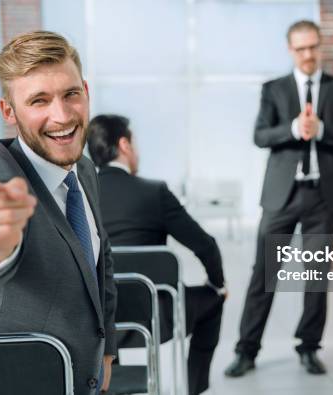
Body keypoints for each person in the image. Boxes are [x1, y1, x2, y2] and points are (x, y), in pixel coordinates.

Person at [0, 31, 116, 395]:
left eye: (70, 94)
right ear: (9, 111)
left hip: (74, 378)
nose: (62, 116)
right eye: (39, 101)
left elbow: (101, 265)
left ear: (86, 91)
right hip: (5, 379)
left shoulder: (83, 169)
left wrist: (107, 353)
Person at [225, 19, 333, 377]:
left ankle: (308, 347)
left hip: (323, 195)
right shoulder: (274, 89)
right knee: (264, 273)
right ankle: (247, 350)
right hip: (282, 195)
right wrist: (292, 129)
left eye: (313, 47)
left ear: (320, 46)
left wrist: (321, 129)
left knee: (316, 275)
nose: (307, 54)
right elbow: (260, 135)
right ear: (290, 50)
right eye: (300, 48)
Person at [86, 114, 226, 395]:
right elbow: (205, 245)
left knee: (106, 290)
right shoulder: (154, 192)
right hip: (155, 319)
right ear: (124, 145)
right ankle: (194, 388)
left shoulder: (81, 196)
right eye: (135, 143)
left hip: (96, 323)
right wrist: (218, 283)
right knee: (214, 300)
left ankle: (112, 385)